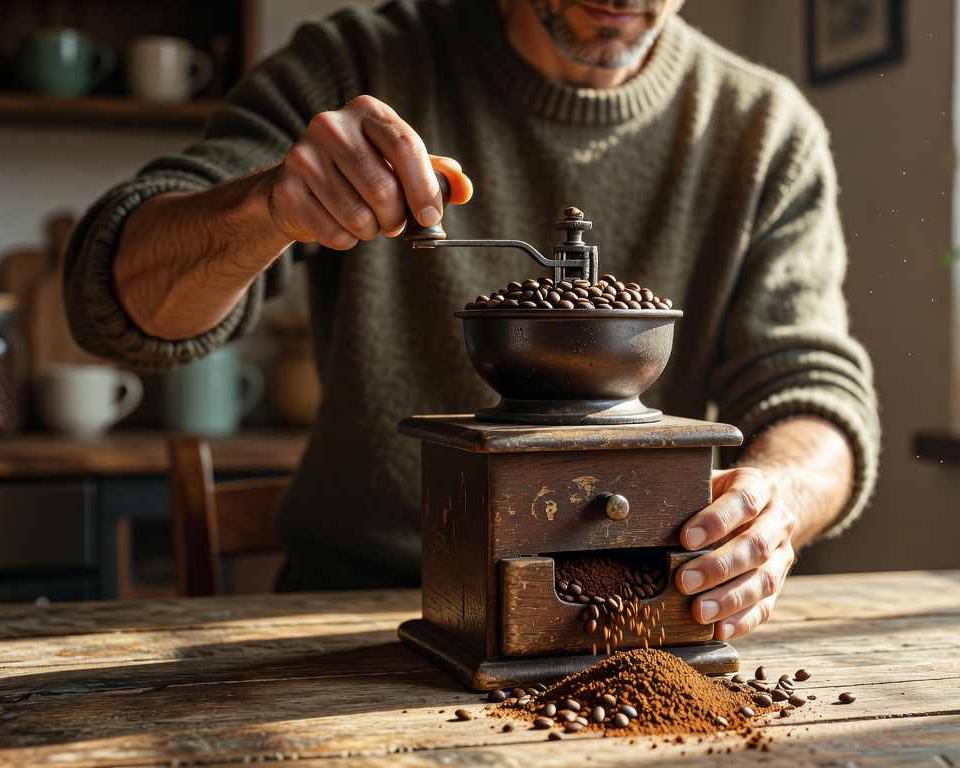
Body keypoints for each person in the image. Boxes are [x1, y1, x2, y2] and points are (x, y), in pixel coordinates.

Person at [64, 0, 880, 641]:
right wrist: (265, 205)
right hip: (356, 610)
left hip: (637, 615)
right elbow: (121, 304)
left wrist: (776, 500)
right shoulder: (360, 64)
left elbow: (812, 393)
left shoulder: (765, 131)